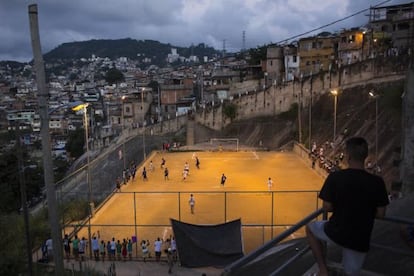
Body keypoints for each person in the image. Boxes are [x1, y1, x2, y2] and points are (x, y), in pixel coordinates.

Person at [306, 137, 389, 276]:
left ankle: (322, 269)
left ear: (348, 156)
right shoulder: (377, 182)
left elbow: (327, 207)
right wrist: (364, 209)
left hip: (336, 231)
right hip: (360, 237)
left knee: (310, 228)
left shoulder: (335, 177)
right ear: (365, 156)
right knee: (351, 273)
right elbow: (381, 214)